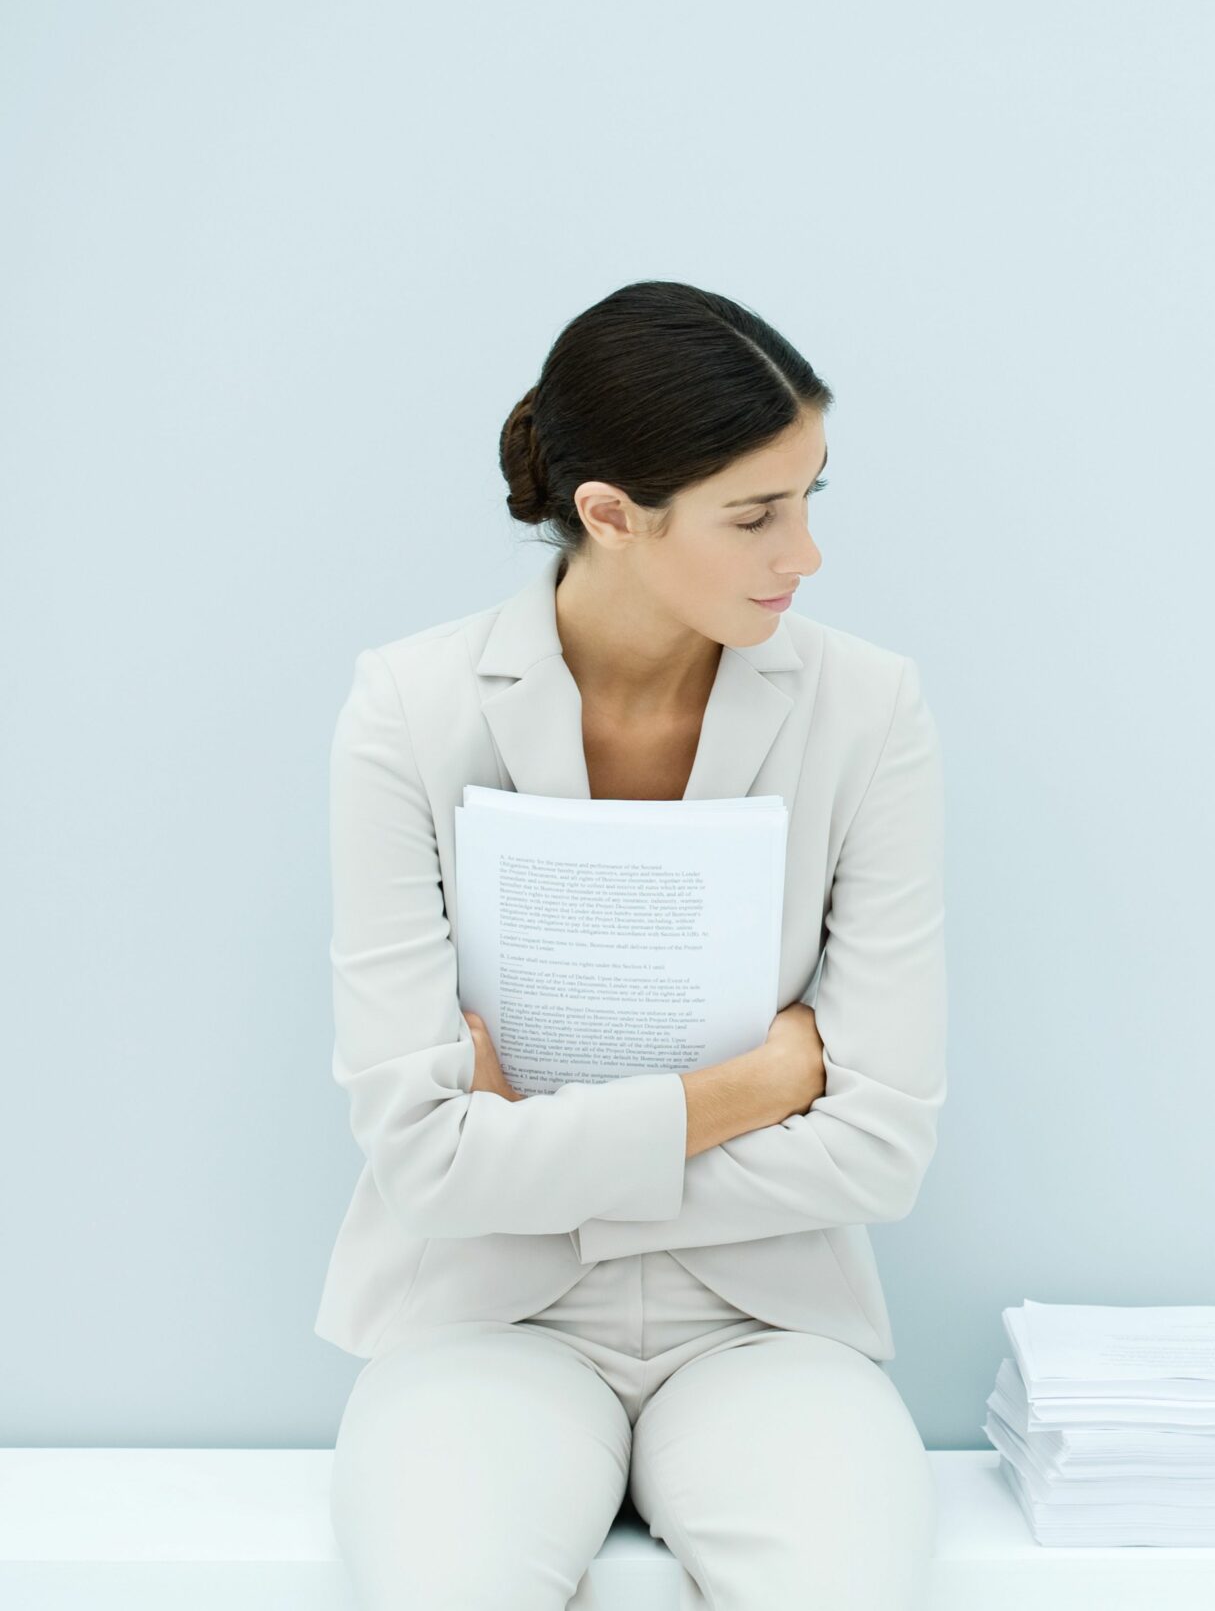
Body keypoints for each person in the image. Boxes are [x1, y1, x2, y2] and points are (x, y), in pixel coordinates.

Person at [318, 280, 945, 1609]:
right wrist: (755, 1089)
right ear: (610, 513)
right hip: (483, 1314)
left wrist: (524, 1148)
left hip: (768, 1323)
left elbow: (881, 1148)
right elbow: (420, 1162)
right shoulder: (408, 711)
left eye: (811, 494)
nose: (806, 552)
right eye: (756, 512)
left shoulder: (870, 709)